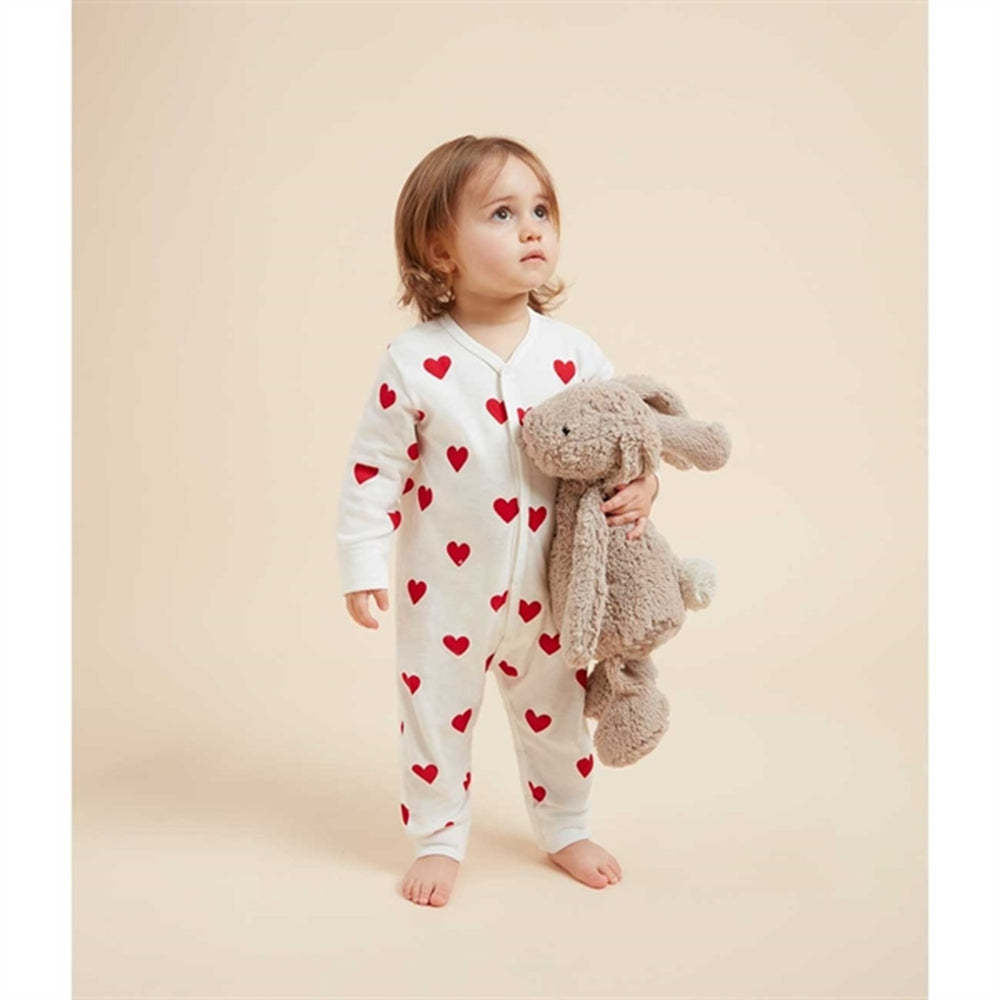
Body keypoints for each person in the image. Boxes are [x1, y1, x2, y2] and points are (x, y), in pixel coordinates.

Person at [336, 135, 659, 907]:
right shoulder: (415, 361)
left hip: (553, 592)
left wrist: (643, 485)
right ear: (439, 250)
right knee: (435, 717)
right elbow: (373, 471)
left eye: (541, 210)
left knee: (559, 720)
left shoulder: (574, 353)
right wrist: (361, 564)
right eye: (503, 214)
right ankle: (439, 836)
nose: (532, 229)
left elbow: (626, 434)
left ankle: (566, 826)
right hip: (444, 595)